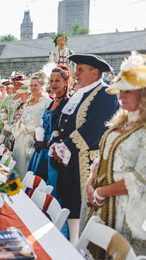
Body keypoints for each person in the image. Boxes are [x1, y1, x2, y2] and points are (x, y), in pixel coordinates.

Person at [81, 52, 146, 258]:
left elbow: (139, 180)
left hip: (126, 211)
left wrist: (101, 192)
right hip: (101, 203)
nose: (121, 96)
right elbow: (103, 157)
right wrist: (91, 184)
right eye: (120, 91)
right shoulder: (122, 122)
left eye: (127, 91)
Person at [49, 54, 119, 244]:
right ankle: (73, 243)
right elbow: (60, 121)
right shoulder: (79, 94)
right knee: (71, 202)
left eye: (80, 69)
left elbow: (96, 127)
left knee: (84, 205)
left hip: (86, 162)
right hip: (69, 160)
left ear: (95, 72)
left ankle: (85, 246)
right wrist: (56, 143)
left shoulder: (106, 93)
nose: (76, 73)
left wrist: (65, 147)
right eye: (76, 69)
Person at [28, 65, 72, 198]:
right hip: (41, 150)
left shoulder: (68, 104)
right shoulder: (52, 103)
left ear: (66, 82)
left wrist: (48, 143)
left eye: (57, 81)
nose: (53, 84)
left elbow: (66, 132)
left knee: (50, 186)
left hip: (53, 151)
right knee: (36, 185)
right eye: (51, 81)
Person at [12, 72, 52, 178]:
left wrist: (31, 129)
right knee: (19, 166)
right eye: (31, 85)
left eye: (36, 85)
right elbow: (21, 119)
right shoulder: (28, 102)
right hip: (21, 138)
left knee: (29, 170)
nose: (33, 88)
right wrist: (21, 125)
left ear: (42, 86)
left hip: (33, 140)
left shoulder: (47, 103)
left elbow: (46, 124)